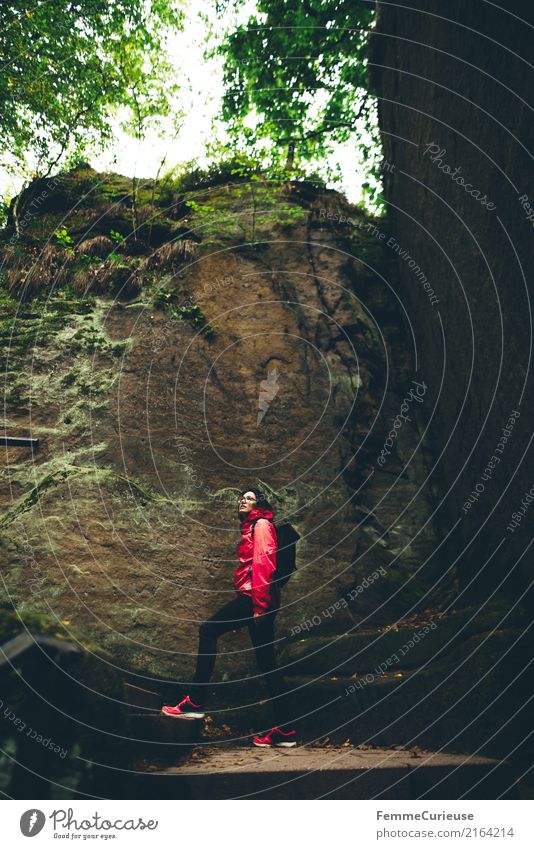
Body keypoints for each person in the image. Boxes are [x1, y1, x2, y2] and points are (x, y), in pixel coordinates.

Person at [161, 488, 297, 748]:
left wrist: (257, 607)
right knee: (268, 664)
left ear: (259, 504)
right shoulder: (253, 526)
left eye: (249, 498)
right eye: (242, 498)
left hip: (256, 598)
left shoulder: (261, 525)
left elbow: (263, 564)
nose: (242, 501)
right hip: (254, 599)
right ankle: (286, 729)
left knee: (208, 631)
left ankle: (195, 701)